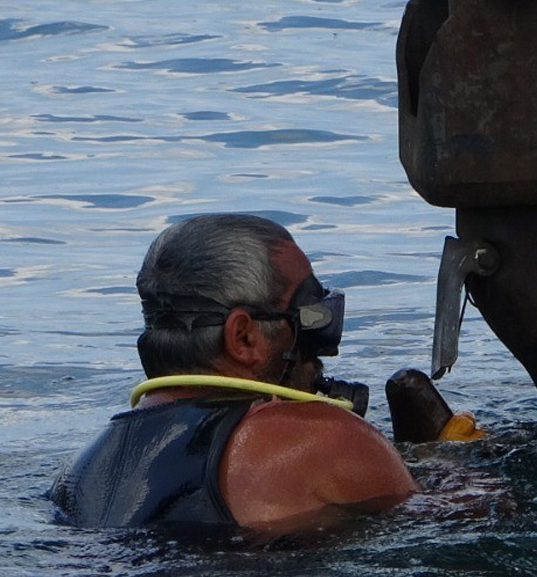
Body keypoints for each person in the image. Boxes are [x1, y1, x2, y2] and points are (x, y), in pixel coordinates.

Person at [50, 213, 424, 537]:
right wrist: (444, 457)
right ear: (243, 337)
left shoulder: (76, 475)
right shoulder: (321, 438)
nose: (322, 346)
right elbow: (454, 517)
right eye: (307, 316)